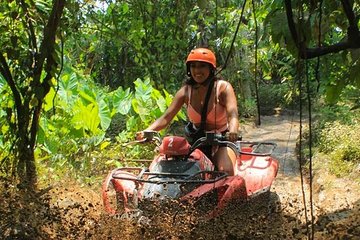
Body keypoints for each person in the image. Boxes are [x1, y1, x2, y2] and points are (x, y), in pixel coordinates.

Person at [137, 47, 239, 176]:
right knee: (168, 169)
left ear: (211, 68)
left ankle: (232, 196)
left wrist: (233, 131)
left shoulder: (223, 88)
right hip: (196, 141)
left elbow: (233, 114)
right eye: (193, 66)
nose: (197, 71)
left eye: (202, 66)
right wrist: (147, 131)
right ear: (189, 70)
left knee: (225, 170)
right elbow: (166, 117)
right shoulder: (185, 92)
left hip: (222, 140)